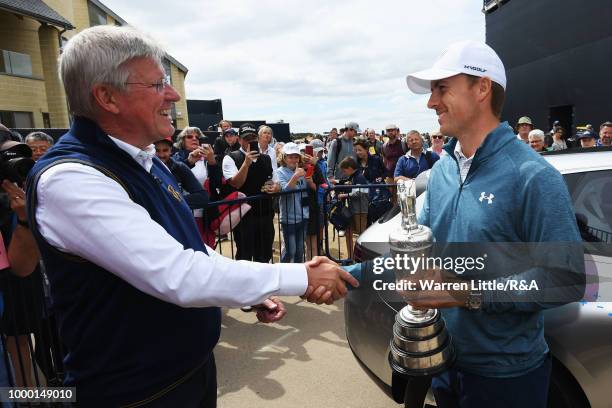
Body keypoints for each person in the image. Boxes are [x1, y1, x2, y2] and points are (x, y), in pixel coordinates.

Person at [25, 26, 358, 407]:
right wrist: (299, 276)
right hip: (133, 394)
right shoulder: (72, 178)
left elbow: (192, 248)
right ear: (106, 96)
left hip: (188, 374)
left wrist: (251, 289)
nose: (173, 94)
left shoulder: (144, 161)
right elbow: (178, 273)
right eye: (156, 84)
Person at [401, 40, 584, 408]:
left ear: (482, 88)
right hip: (445, 364)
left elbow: (566, 278)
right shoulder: (441, 172)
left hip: (507, 378)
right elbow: (418, 249)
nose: (431, 102)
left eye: (442, 88)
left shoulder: (534, 177)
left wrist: (469, 293)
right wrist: (342, 273)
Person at [274, 143, 315, 263]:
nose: (293, 159)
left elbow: (311, 188)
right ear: (284, 158)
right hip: (289, 218)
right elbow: (285, 190)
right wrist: (295, 176)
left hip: (303, 216)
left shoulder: (302, 171)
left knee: (300, 251)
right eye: (290, 157)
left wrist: (309, 179)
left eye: (296, 157)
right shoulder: (279, 172)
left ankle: (297, 276)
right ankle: (283, 275)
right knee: (290, 251)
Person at [336, 157, 369, 259]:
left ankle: (361, 257)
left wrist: (344, 195)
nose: (343, 172)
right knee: (349, 233)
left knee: (361, 235)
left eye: (344, 170)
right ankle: (351, 256)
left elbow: (359, 193)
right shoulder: (353, 177)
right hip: (353, 209)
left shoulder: (359, 177)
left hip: (360, 210)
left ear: (350, 168)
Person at [304, 139, 328, 259]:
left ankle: (319, 249)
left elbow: (322, 182)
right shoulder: (300, 168)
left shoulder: (321, 164)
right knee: (304, 241)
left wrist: (315, 165)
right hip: (301, 209)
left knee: (316, 233)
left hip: (316, 204)